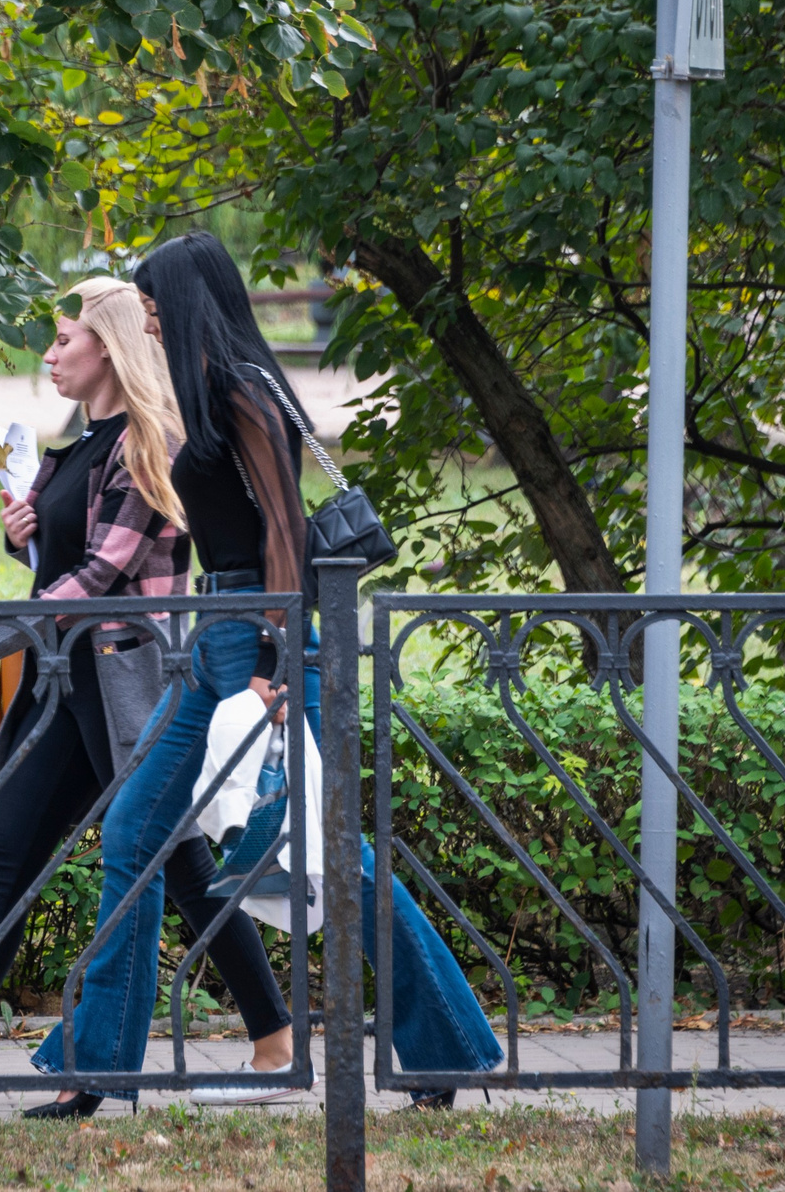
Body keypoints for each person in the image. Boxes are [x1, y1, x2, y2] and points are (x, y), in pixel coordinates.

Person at [42, 230, 498, 1115]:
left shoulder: (247, 391)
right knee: (133, 831)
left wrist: (270, 660)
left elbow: (285, 530)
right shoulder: (209, 390)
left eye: (154, 304)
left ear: (187, 298)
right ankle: (95, 1072)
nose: (148, 319)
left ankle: (446, 1047)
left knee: (339, 854)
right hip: (219, 634)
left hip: (261, 637)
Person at [0, 279, 292, 1094]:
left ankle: (276, 1043)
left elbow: (99, 578)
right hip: (67, 682)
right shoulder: (83, 442)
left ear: (108, 347)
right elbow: (64, 564)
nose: (49, 356)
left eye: (63, 341)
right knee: (11, 856)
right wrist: (23, 535)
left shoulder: (146, 442)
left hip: (126, 681)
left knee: (180, 862)